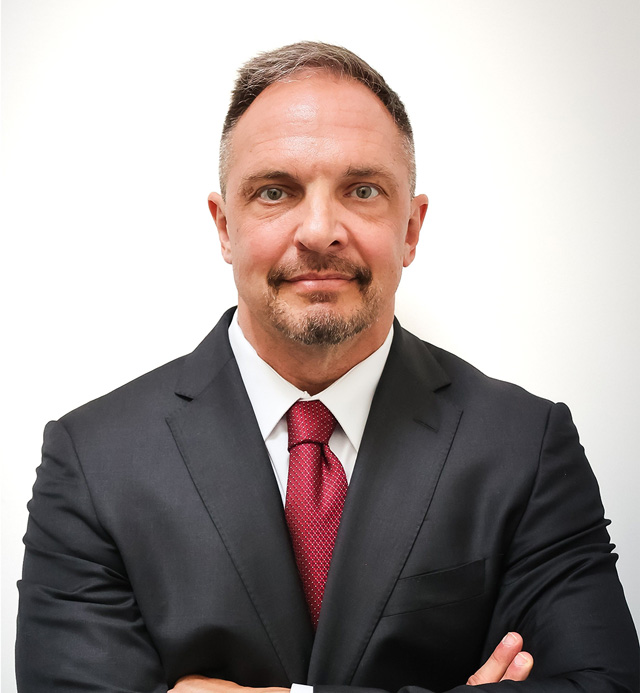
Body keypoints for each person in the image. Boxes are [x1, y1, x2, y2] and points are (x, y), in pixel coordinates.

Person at [16, 41, 638, 693]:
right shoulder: (92, 461)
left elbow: (605, 685)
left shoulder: (525, 446)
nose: (319, 231)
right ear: (224, 227)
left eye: (362, 190)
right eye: (275, 191)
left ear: (411, 227)